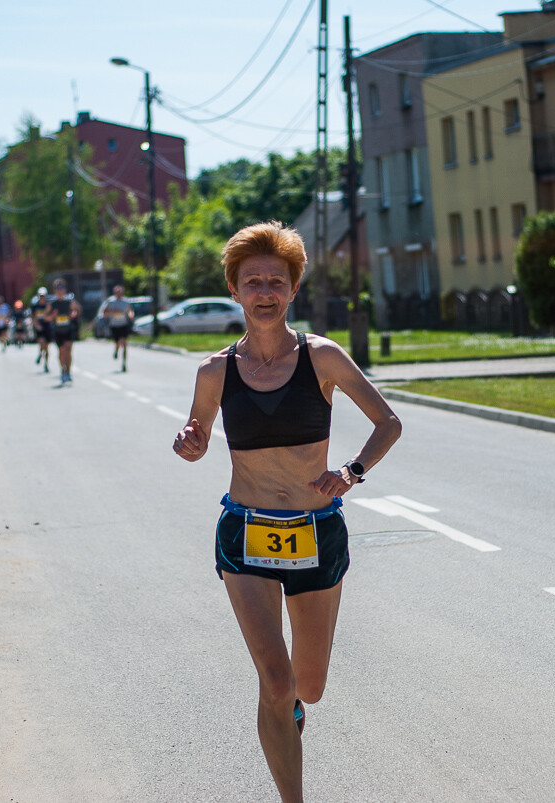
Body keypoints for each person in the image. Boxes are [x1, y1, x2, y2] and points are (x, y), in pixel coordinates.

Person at [172, 221, 401, 802]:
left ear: (293, 289)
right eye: (253, 281)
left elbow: (388, 423)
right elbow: (196, 435)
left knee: (309, 686)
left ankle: (293, 707)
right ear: (235, 290)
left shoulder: (322, 358)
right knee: (274, 680)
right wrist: (191, 442)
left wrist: (351, 473)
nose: (265, 291)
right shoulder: (214, 372)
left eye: (277, 280)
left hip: (315, 532)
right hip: (245, 532)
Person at [43, 279, 80, 384]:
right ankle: (63, 370)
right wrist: (53, 316)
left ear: (65, 290)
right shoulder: (52, 304)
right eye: (57, 289)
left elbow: (75, 311)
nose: (60, 291)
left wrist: (73, 314)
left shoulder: (69, 301)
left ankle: (68, 371)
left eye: (62, 288)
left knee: (68, 350)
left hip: (68, 329)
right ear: (55, 291)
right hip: (58, 331)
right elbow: (46, 318)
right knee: (61, 351)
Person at [102, 285, 134, 372]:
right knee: (118, 342)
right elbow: (104, 313)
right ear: (115, 293)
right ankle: (116, 350)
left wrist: (131, 315)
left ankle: (124, 364)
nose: (119, 293)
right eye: (117, 292)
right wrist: (112, 312)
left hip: (123, 324)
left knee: (124, 343)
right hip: (114, 325)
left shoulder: (126, 301)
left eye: (121, 292)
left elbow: (130, 310)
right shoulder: (110, 301)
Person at [31, 287, 51, 373]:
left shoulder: (48, 305)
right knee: (42, 343)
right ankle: (40, 354)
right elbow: (33, 317)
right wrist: (36, 325)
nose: (42, 298)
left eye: (43, 296)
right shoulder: (35, 306)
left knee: (46, 347)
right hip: (39, 328)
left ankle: (46, 363)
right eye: (40, 296)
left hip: (47, 327)